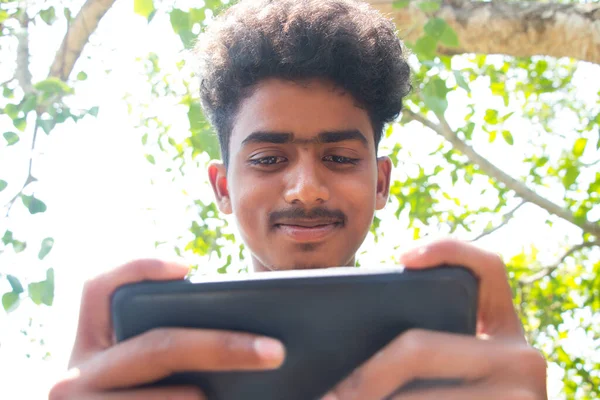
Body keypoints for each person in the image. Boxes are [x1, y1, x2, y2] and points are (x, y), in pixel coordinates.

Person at [49, 0, 548, 398]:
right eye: (268, 159)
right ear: (222, 187)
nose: (306, 188)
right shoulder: (134, 380)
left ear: (381, 183)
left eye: (340, 158)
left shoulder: (466, 376)